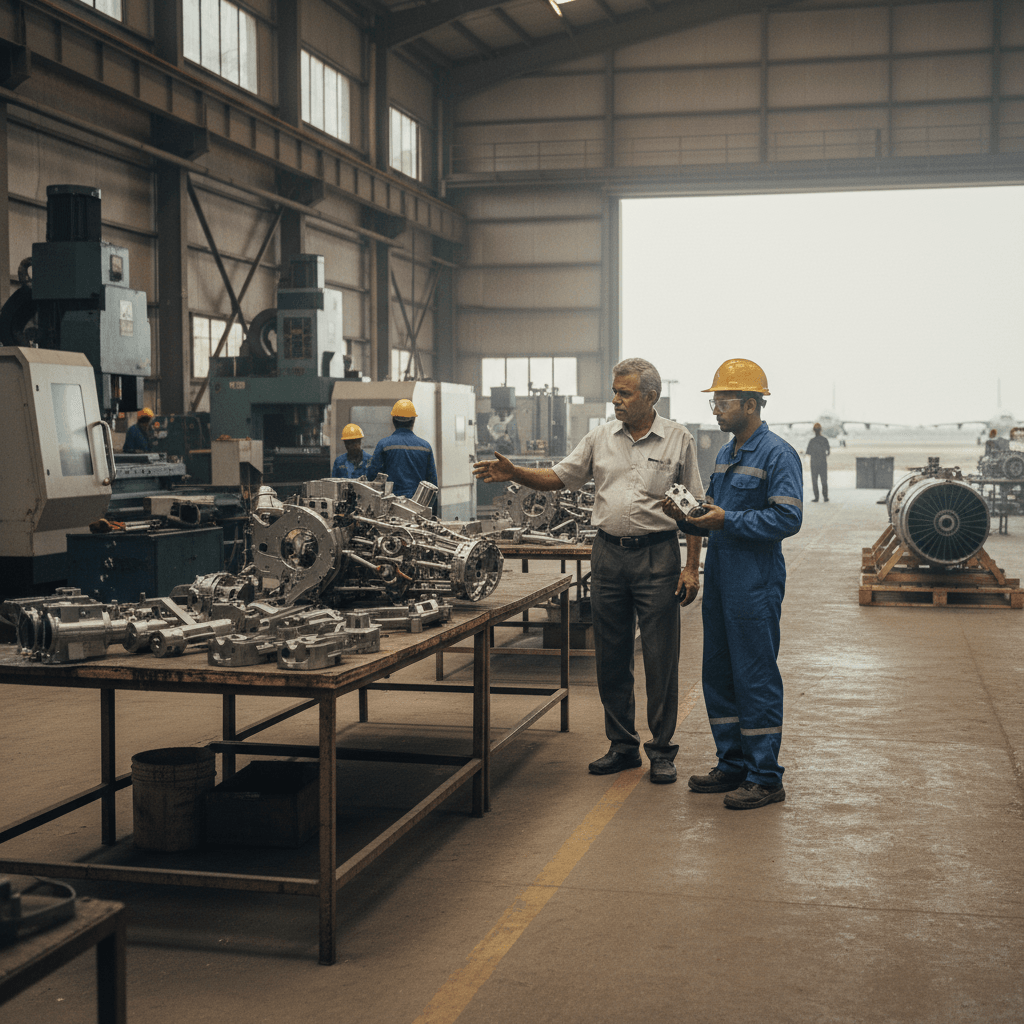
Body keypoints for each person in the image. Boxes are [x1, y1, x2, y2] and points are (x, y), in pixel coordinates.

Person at [474, 357, 704, 785]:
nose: (615, 399)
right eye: (615, 391)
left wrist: (692, 567)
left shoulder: (678, 439)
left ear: (650, 397)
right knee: (612, 655)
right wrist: (514, 473)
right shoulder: (600, 437)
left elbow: (695, 507)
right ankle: (622, 745)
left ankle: (661, 750)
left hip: (658, 557)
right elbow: (559, 477)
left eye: (625, 393)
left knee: (660, 657)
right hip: (608, 556)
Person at [664, 358, 802, 810]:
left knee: (755, 675)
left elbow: (788, 516)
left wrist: (728, 518)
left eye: (723, 402)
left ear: (749, 403)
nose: (716, 411)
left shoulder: (778, 454)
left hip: (755, 581)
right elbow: (716, 516)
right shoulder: (725, 454)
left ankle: (765, 776)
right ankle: (733, 763)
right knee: (718, 672)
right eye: (716, 403)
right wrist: (691, 517)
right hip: (722, 576)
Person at [367, 399, 438, 501]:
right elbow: (433, 484)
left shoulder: (384, 445)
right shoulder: (425, 447)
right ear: (413, 420)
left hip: (390, 506)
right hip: (418, 506)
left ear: (393, 420)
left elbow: (372, 477)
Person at [806, 422, 830, 502]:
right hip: (823, 463)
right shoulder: (825, 440)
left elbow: (808, 452)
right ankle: (825, 497)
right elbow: (828, 452)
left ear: (813, 430)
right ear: (821, 430)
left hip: (814, 463)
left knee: (814, 481)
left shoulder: (812, 441)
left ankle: (816, 497)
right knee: (824, 480)